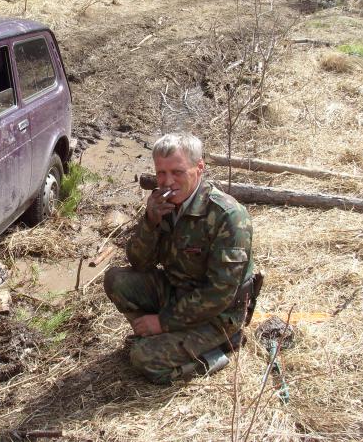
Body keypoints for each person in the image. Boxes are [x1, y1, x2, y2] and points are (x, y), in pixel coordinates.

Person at [104, 133, 258, 384]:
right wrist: (150, 222)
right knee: (115, 280)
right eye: (161, 173)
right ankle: (160, 337)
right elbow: (139, 264)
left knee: (143, 359)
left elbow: (219, 295)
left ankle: (217, 351)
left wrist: (163, 322)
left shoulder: (227, 216)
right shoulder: (164, 205)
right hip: (178, 293)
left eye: (177, 172)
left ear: (199, 168)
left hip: (217, 316)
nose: (167, 182)